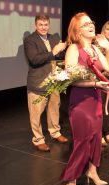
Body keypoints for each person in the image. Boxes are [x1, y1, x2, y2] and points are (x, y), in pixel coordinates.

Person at [60, 12, 109, 185]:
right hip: (81, 102)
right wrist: (94, 84)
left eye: (92, 21)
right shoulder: (74, 49)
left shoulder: (95, 48)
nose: (92, 25)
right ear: (77, 30)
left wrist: (108, 49)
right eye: (86, 24)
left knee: (96, 137)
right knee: (82, 142)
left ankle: (92, 171)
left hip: (96, 99)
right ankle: (70, 183)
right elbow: (70, 79)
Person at [24, 14, 68, 152]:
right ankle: (38, 139)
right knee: (36, 113)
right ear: (35, 25)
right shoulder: (30, 40)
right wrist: (53, 51)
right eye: (40, 25)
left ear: (49, 25)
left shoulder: (53, 37)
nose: (43, 27)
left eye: (46, 25)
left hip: (54, 81)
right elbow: (34, 59)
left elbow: (59, 57)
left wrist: (63, 49)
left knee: (54, 108)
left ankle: (55, 132)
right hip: (38, 82)